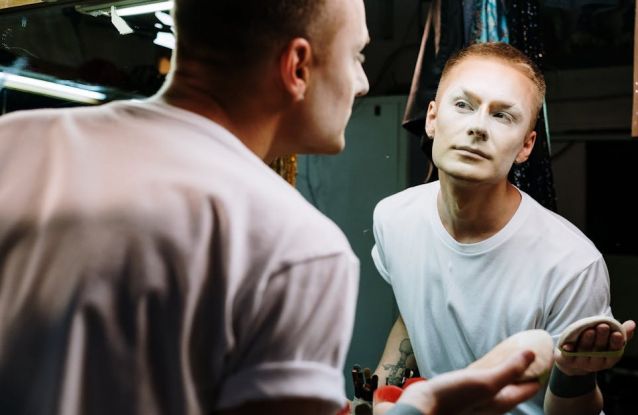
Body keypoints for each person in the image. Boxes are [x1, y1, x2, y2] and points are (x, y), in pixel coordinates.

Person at [0, 1, 543, 414]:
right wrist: (418, 408)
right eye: (356, 57)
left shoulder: (14, 144)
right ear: (298, 66)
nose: (363, 83)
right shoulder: (295, 247)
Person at [371, 42, 637, 415]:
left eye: (502, 116)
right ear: (431, 118)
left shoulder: (572, 264)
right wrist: (377, 399)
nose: (478, 127)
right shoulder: (394, 218)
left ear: (526, 145)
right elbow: (412, 318)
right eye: (463, 105)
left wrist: (572, 374)